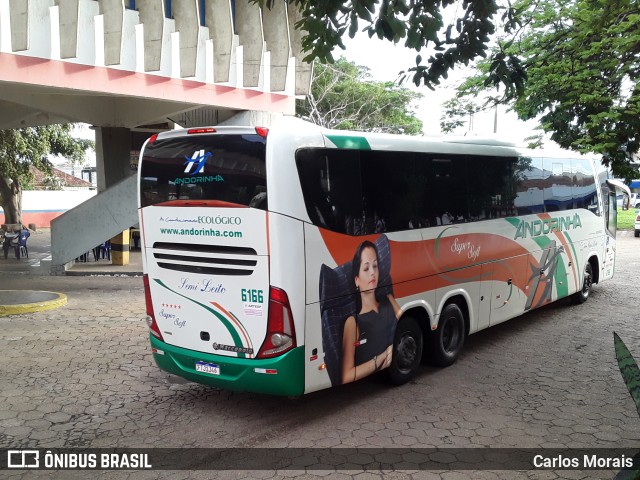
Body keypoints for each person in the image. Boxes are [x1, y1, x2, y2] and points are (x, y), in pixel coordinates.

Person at [341, 240, 401, 384]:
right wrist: (381, 358)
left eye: (375, 266)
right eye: (366, 268)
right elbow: (346, 375)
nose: (373, 272)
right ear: (357, 280)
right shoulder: (353, 322)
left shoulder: (388, 299)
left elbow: (406, 322)